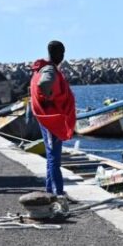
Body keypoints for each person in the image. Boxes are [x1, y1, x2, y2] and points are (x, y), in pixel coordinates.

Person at [30, 41, 76, 197]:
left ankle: (50, 192)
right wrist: (49, 98)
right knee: (54, 158)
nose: (62, 57)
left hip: (50, 119)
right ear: (57, 54)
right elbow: (44, 83)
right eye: (61, 53)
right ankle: (58, 193)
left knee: (52, 157)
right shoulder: (49, 69)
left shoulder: (44, 68)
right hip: (51, 120)